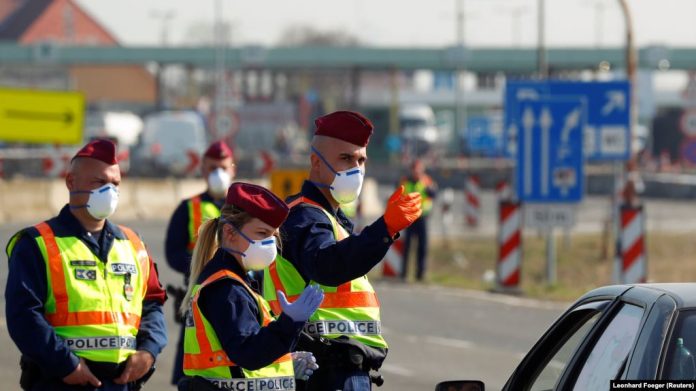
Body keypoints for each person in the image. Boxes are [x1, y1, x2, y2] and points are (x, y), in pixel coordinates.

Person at [263, 110, 423, 390]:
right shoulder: (303, 217)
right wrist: (384, 228)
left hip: (337, 367)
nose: (356, 169)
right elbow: (328, 266)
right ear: (316, 162)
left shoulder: (329, 218)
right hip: (321, 370)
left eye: (361, 160)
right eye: (346, 158)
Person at [5, 139, 168, 391]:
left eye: (115, 184)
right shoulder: (37, 243)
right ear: (71, 182)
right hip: (62, 380)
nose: (110, 192)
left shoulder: (134, 244)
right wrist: (66, 365)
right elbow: (23, 315)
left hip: (121, 382)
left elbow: (153, 303)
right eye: (99, 182)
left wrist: (148, 351)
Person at [177, 182, 324, 391]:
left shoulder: (233, 282)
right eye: (262, 233)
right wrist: (289, 323)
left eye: (273, 236)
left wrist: (284, 364)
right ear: (230, 232)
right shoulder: (227, 289)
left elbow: (236, 357)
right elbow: (248, 353)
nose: (271, 244)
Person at [165, 140, 236, 385]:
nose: (218, 173)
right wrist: (203, 267)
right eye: (212, 167)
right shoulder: (188, 208)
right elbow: (172, 253)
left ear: (233, 169)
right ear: (203, 170)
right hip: (198, 296)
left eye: (223, 167)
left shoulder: (244, 208)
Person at [400, 159, 437, 282]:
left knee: (422, 247)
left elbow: (434, 194)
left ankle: (420, 274)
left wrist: (429, 189)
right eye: (415, 170)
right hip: (409, 218)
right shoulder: (405, 182)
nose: (417, 172)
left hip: (422, 217)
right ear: (411, 170)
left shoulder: (427, 181)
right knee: (407, 246)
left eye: (419, 170)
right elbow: (399, 196)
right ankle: (404, 273)